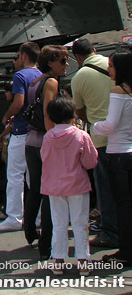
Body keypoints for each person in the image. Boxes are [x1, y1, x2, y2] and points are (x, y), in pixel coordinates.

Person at [41, 95, 98, 270]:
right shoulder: (81, 135)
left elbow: (44, 158)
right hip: (77, 184)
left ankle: (58, 261)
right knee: (80, 223)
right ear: (73, 114)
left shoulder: (48, 137)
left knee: (58, 223)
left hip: (54, 186)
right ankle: (83, 262)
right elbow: (91, 161)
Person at [71, 38, 118, 249]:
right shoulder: (113, 65)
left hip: (100, 139)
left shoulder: (79, 76)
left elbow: (79, 111)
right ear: (95, 50)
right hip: (125, 135)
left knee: (105, 188)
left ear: (77, 58)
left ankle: (109, 232)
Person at [23, 44, 69, 260]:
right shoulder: (50, 82)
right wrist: (56, 140)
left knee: (35, 189)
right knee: (50, 192)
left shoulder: (35, 81)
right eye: (62, 60)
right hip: (45, 140)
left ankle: (30, 230)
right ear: (50, 62)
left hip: (32, 139)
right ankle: (46, 243)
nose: (66, 65)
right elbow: (49, 113)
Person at [0, 42, 42, 232]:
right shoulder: (40, 75)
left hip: (21, 131)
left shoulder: (20, 76)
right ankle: (38, 217)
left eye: (18, 56)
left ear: (24, 56)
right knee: (33, 176)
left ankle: (14, 217)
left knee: (14, 175)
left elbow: (19, 101)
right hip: (36, 131)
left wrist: (6, 116)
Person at [93, 50, 132, 266]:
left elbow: (110, 124)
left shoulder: (119, 91)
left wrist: (93, 126)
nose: (109, 70)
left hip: (118, 154)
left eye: (111, 66)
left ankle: (126, 250)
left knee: (122, 207)